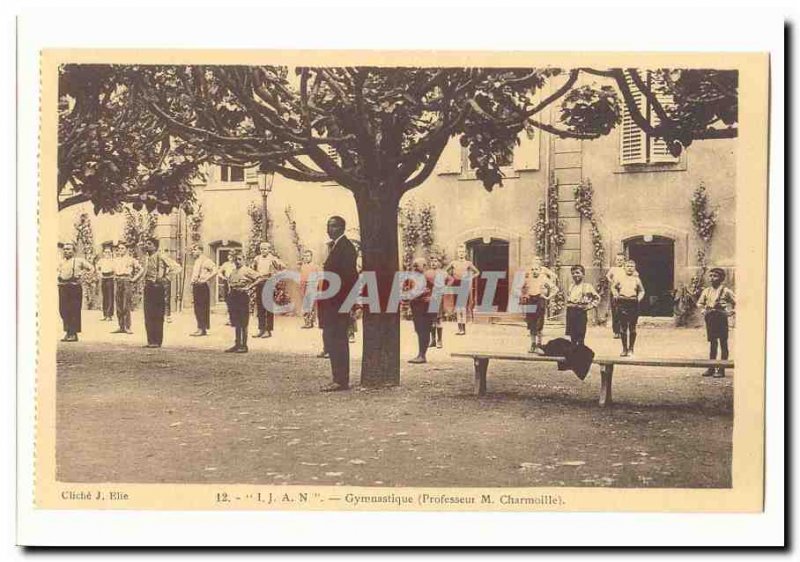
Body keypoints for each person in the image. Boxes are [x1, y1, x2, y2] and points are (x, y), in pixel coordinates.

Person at [318, 216, 358, 391]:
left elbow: (351, 278)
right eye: (328, 226)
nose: (329, 229)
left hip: (338, 303)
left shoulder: (346, 248)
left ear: (342, 227)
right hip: (331, 302)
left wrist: (347, 304)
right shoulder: (336, 247)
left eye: (333, 226)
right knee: (331, 339)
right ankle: (338, 377)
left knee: (338, 340)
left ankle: (341, 380)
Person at [697, 268, 736, 378]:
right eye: (711, 276)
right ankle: (711, 367)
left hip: (721, 318)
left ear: (721, 278)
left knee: (723, 343)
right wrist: (704, 310)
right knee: (713, 343)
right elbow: (699, 303)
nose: (712, 278)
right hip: (710, 318)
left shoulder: (726, 291)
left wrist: (730, 312)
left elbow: (737, 302)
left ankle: (722, 369)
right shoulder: (707, 291)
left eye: (715, 276)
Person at [141, 238, 178, 348]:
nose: (147, 246)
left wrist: (166, 278)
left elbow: (176, 267)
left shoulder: (161, 256)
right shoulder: (147, 258)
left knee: (157, 314)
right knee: (148, 314)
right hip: (148, 286)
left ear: (155, 246)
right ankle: (150, 341)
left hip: (157, 287)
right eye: (146, 243)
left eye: (149, 244)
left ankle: (157, 341)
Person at [224, 249, 260, 353]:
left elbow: (259, 278)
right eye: (235, 259)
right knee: (236, 321)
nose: (237, 261)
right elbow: (230, 283)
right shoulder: (233, 271)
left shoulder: (247, 270)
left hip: (242, 296)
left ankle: (244, 346)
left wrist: (250, 287)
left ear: (244, 259)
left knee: (243, 321)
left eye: (239, 259)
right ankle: (237, 344)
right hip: (234, 296)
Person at [57, 242, 94, 342]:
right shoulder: (61, 262)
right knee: (63, 310)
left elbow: (91, 269)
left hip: (74, 287)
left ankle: (73, 334)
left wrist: (83, 276)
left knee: (74, 310)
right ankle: (68, 331)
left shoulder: (79, 260)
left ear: (74, 251)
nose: (66, 251)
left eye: (69, 249)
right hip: (63, 287)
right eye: (65, 249)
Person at [251, 241, 286, 338]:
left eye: (265, 249)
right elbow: (252, 269)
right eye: (261, 249)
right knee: (260, 306)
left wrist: (276, 276)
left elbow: (283, 267)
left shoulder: (272, 259)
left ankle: (268, 330)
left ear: (269, 250)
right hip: (259, 282)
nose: (263, 251)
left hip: (268, 283)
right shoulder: (257, 258)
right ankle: (261, 329)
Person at [612, 259, 646, 357]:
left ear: (634, 268)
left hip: (633, 303)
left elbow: (642, 291)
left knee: (632, 328)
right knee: (623, 328)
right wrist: (616, 294)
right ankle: (624, 349)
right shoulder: (620, 278)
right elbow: (613, 287)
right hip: (622, 303)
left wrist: (638, 299)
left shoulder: (636, 279)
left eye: (632, 266)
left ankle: (631, 349)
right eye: (628, 266)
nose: (630, 268)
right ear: (624, 267)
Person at [521, 261, 556, 353]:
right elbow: (522, 288)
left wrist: (547, 297)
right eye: (532, 269)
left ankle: (539, 344)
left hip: (539, 301)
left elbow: (555, 289)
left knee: (539, 324)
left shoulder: (543, 279)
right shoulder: (528, 279)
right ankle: (533, 344)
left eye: (536, 269)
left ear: (540, 270)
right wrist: (525, 295)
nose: (534, 271)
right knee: (531, 324)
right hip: (530, 301)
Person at [407, 257, 437, 364]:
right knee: (419, 330)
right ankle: (420, 354)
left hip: (425, 308)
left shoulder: (429, 276)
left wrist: (432, 297)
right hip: (416, 307)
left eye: (416, 265)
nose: (414, 267)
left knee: (423, 331)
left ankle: (422, 355)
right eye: (413, 265)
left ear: (424, 266)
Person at [446, 245, 480, 336]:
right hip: (456, 284)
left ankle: (463, 329)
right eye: (459, 252)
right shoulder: (453, 263)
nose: (461, 253)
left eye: (463, 252)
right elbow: (445, 272)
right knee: (458, 307)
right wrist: (451, 279)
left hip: (464, 284)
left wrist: (470, 277)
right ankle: (459, 328)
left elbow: (477, 272)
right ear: (457, 253)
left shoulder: (468, 263)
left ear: (465, 253)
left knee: (463, 307)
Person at [564, 265, 600, 347]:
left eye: (577, 273)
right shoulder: (571, 286)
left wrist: (590, 306)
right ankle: (573, 353)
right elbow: (569, 299)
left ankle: (580, 353)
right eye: (573, 273)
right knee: (572, 335)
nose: (575, 275)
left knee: (580, 334)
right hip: (571, 312)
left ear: (583, 274)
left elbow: (597, 298)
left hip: (580, 312)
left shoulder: (587, 286)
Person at [189, 243, 218, 337]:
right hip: (196, 286)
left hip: (202, 286)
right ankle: (200, 327)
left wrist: (206, 279)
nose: (193, 252)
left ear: (200, 250)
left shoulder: (206, 260)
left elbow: (215, 270)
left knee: (202, 307)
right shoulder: (197, 261)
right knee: (197, 308)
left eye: (194, 250)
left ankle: (202, 328)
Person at [111, 243, 141, 334]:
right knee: (118, 304)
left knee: (125, 304)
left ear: (126, 250)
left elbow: (141, 269)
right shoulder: (115, 260)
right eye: (119, 248)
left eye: (122, 248)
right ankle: (121, 326)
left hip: (126, 280)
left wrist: (134, 279)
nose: (120, 250)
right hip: (118, 280)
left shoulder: (131, 260)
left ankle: (127, 327)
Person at [428, 256, 450, 349]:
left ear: (439, 263)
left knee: (438, 319)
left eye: (435, 261)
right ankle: (432, 340)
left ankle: (439, 340)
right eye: (431, 261)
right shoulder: (428, 273)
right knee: (430, 320)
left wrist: (445, 287)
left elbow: (451, 279)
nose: (433, 263)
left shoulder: (442, 272)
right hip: (429, 298)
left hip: (438, 298)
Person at [298, 249, 320, 329]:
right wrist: (301, 287)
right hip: (304, 286)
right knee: (305, 304)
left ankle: (310, 322)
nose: (306, 258)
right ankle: (306, 322)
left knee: (311, 304)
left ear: (311, 257)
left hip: (312, 285)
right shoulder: (303, 266)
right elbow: (302, 278)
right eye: (304, 256)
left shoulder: (315, 266)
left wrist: (316, 286)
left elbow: (319, 277)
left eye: (308, 256)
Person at [96, 246, 116, 321]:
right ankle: (105, 314)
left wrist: (114, 275)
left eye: (109, 252)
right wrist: (99, 273)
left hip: (110, 278)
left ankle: (109, 315)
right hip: (103, 278)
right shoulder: (101, 260)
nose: (107, 253)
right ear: (103, 253)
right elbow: (97, 267)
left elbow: (116, 269)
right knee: (104, 296)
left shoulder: (113, 261)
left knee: (110, 296)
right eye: (105, 252)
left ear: (111, 253)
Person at [218, 256, 236, 326]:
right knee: (228, 301)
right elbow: (219, 272)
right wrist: (223, 277)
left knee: (235, 301)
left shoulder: (236, 264)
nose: (230, 258)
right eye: (229, 256)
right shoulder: (226, 264)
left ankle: (235, 319)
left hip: (235, 282)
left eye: (232, 256)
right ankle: (230, 319)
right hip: (227, 282)